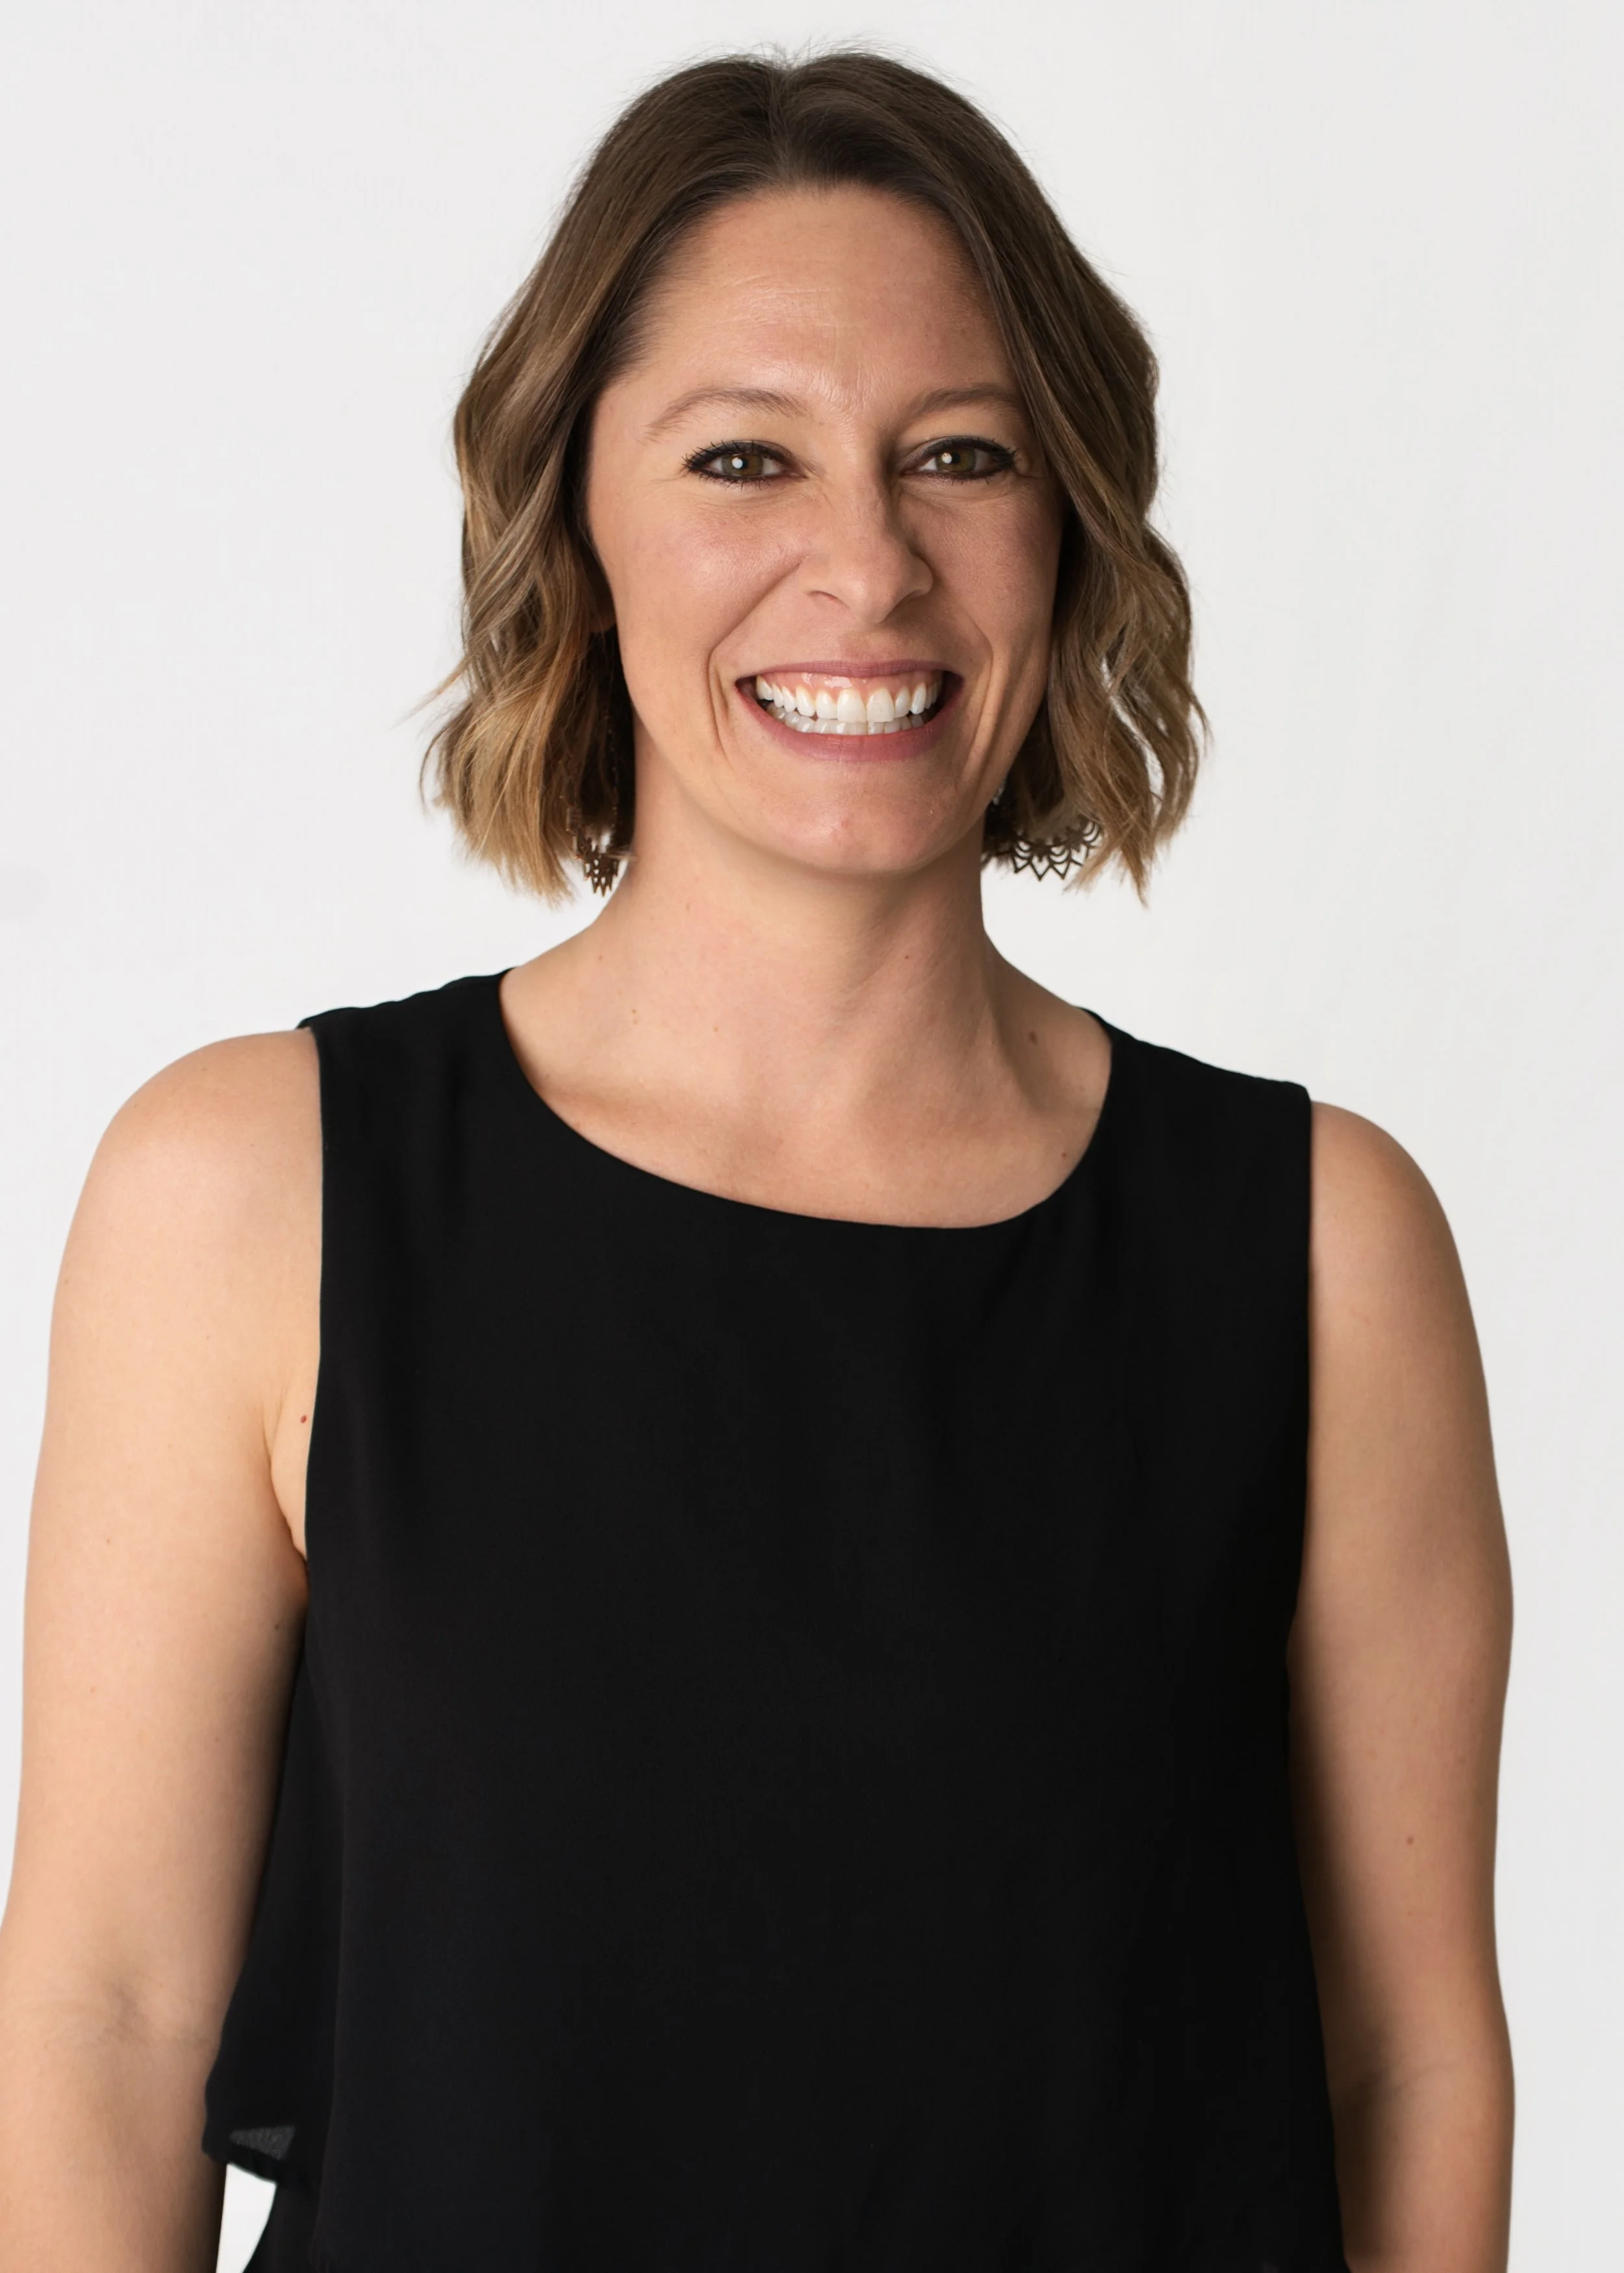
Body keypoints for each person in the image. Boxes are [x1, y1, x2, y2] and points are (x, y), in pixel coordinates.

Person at [0, 49, 1514, 2273]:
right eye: (742, 459)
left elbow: (1405, 2057)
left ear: (1068, 517)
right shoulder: (255, 1193)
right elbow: (105, 2020)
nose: (866, 566)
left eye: (960, 458)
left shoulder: (1314, 1248)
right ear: (572, 519)